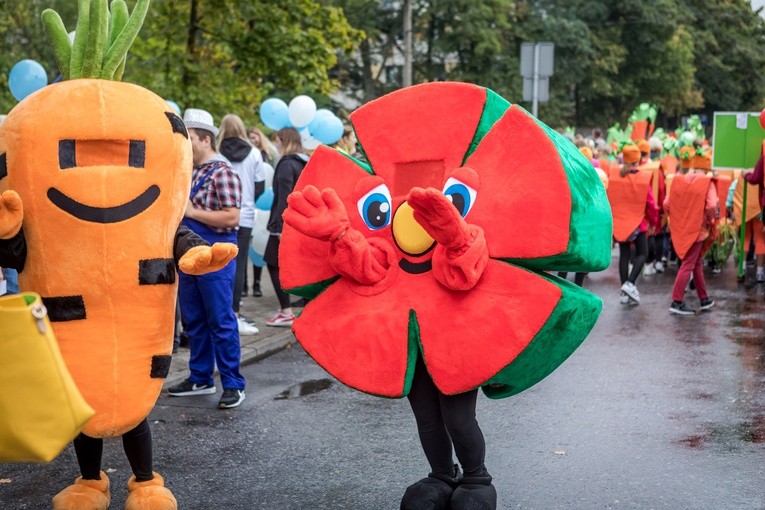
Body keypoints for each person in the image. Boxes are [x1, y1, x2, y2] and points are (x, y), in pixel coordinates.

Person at [168, 108, 247, 409]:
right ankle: (200, 378)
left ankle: (234, 384)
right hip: (190, 253)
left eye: (189, 138)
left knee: (221, 320)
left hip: (217, 253)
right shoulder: (190, 170)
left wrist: (191, 213)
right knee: (195, 319)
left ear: (204, 139)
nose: (184, 144)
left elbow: (232, 217)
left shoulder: (223, 172)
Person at [219, 114, 264, 335]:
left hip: (221, 216)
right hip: (245, 216)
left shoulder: (217, 154)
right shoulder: (255, 153)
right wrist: (247, 202)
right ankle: (234, 314)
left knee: (220, 264)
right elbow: (260, 185)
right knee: (239, 266)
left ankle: (221, 311)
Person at [264, 127, 309, 327]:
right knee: (302, 266)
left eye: (277, 141)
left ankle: (286, 311)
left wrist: (279, 226)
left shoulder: (286, 165)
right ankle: (307, 308)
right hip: (303, 221)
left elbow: (284, 197)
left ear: (284, 140)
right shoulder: (305, 163)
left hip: (284, 223)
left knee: (273, 262)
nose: (276, 145)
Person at [665, 154, 718, 315]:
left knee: (695, 263)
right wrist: (710, 221)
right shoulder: (707, 183)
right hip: (698, 230)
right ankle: (677, 301)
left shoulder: (679, 179)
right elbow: (711, 206)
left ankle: (704, 298)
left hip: (683, 228)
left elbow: (667, 204)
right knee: (689, 263)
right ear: (707, 169)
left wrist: (679, 219)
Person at [606, 143, 659, 305]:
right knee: (643, 253)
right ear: (637, 160)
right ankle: (630, 283)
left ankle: (624, 292)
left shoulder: (615, 175)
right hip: (638, 223)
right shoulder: (642, 178)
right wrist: (654, 221)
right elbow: (650, 203)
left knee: (624, 255)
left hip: (621, 222)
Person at [743, 150, 765, 282]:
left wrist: (745, 175)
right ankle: (760, 272)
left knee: (747, 238)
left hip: (753, 208)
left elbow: (754, 178)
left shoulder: (763, 158)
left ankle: (743, 268)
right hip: (758, 211)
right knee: (760, 240)